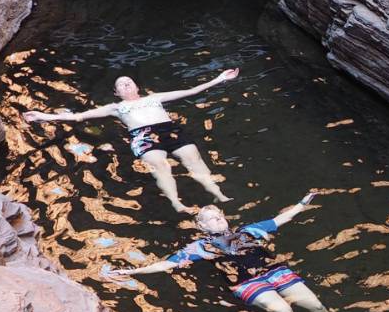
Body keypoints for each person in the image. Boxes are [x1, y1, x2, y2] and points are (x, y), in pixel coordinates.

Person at [101, 194, 351, 312]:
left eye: (219, 215)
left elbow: (280, 219)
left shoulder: (248, 231)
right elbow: (165, 265)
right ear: (202, 227)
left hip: (274, 271)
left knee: (315, 304)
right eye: (210, 219)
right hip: (245, 282)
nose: (217, 220)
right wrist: (131, 271)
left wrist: (303, 203)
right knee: (284, 311)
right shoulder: (199, 248)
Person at [24, 69, 238, 212]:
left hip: (169, 130)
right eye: (121, 85)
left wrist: (220, 79)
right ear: (117, 93)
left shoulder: (154, 98)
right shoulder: (116, 108)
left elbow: (190, 91)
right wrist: (44, 116)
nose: (126, 85)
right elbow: (78, 116)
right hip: (143, 135)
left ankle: (218, 193)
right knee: (159, 164)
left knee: (193, 157)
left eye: (129, 82)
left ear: (137, 87)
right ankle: (176, 202)